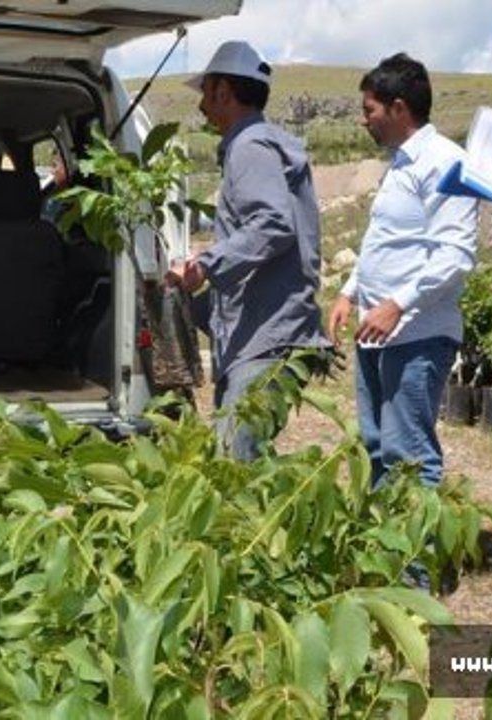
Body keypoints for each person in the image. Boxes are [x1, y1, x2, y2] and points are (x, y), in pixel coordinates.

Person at [166, 40, 328, 461]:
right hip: (263, 333)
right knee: (234, 455)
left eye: (206, 93)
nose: (202, 105)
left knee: (236, 461)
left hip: (265, 339)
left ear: (223, 92)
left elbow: (273, 224)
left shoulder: (249, 147)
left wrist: (205, 266)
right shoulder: (257, 145)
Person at [326, 53, 478, 489]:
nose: (364, 121)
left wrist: (397, 304)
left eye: (369, 110)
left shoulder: (445, 163)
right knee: (376, 447)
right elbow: (386, 240)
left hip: (416, 333)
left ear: (398, 108)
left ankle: (416, 535)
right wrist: (350, 292)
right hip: (377, 329)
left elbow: (455, 254)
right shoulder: (401, 164)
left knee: (408, 454)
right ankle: (382, 531)